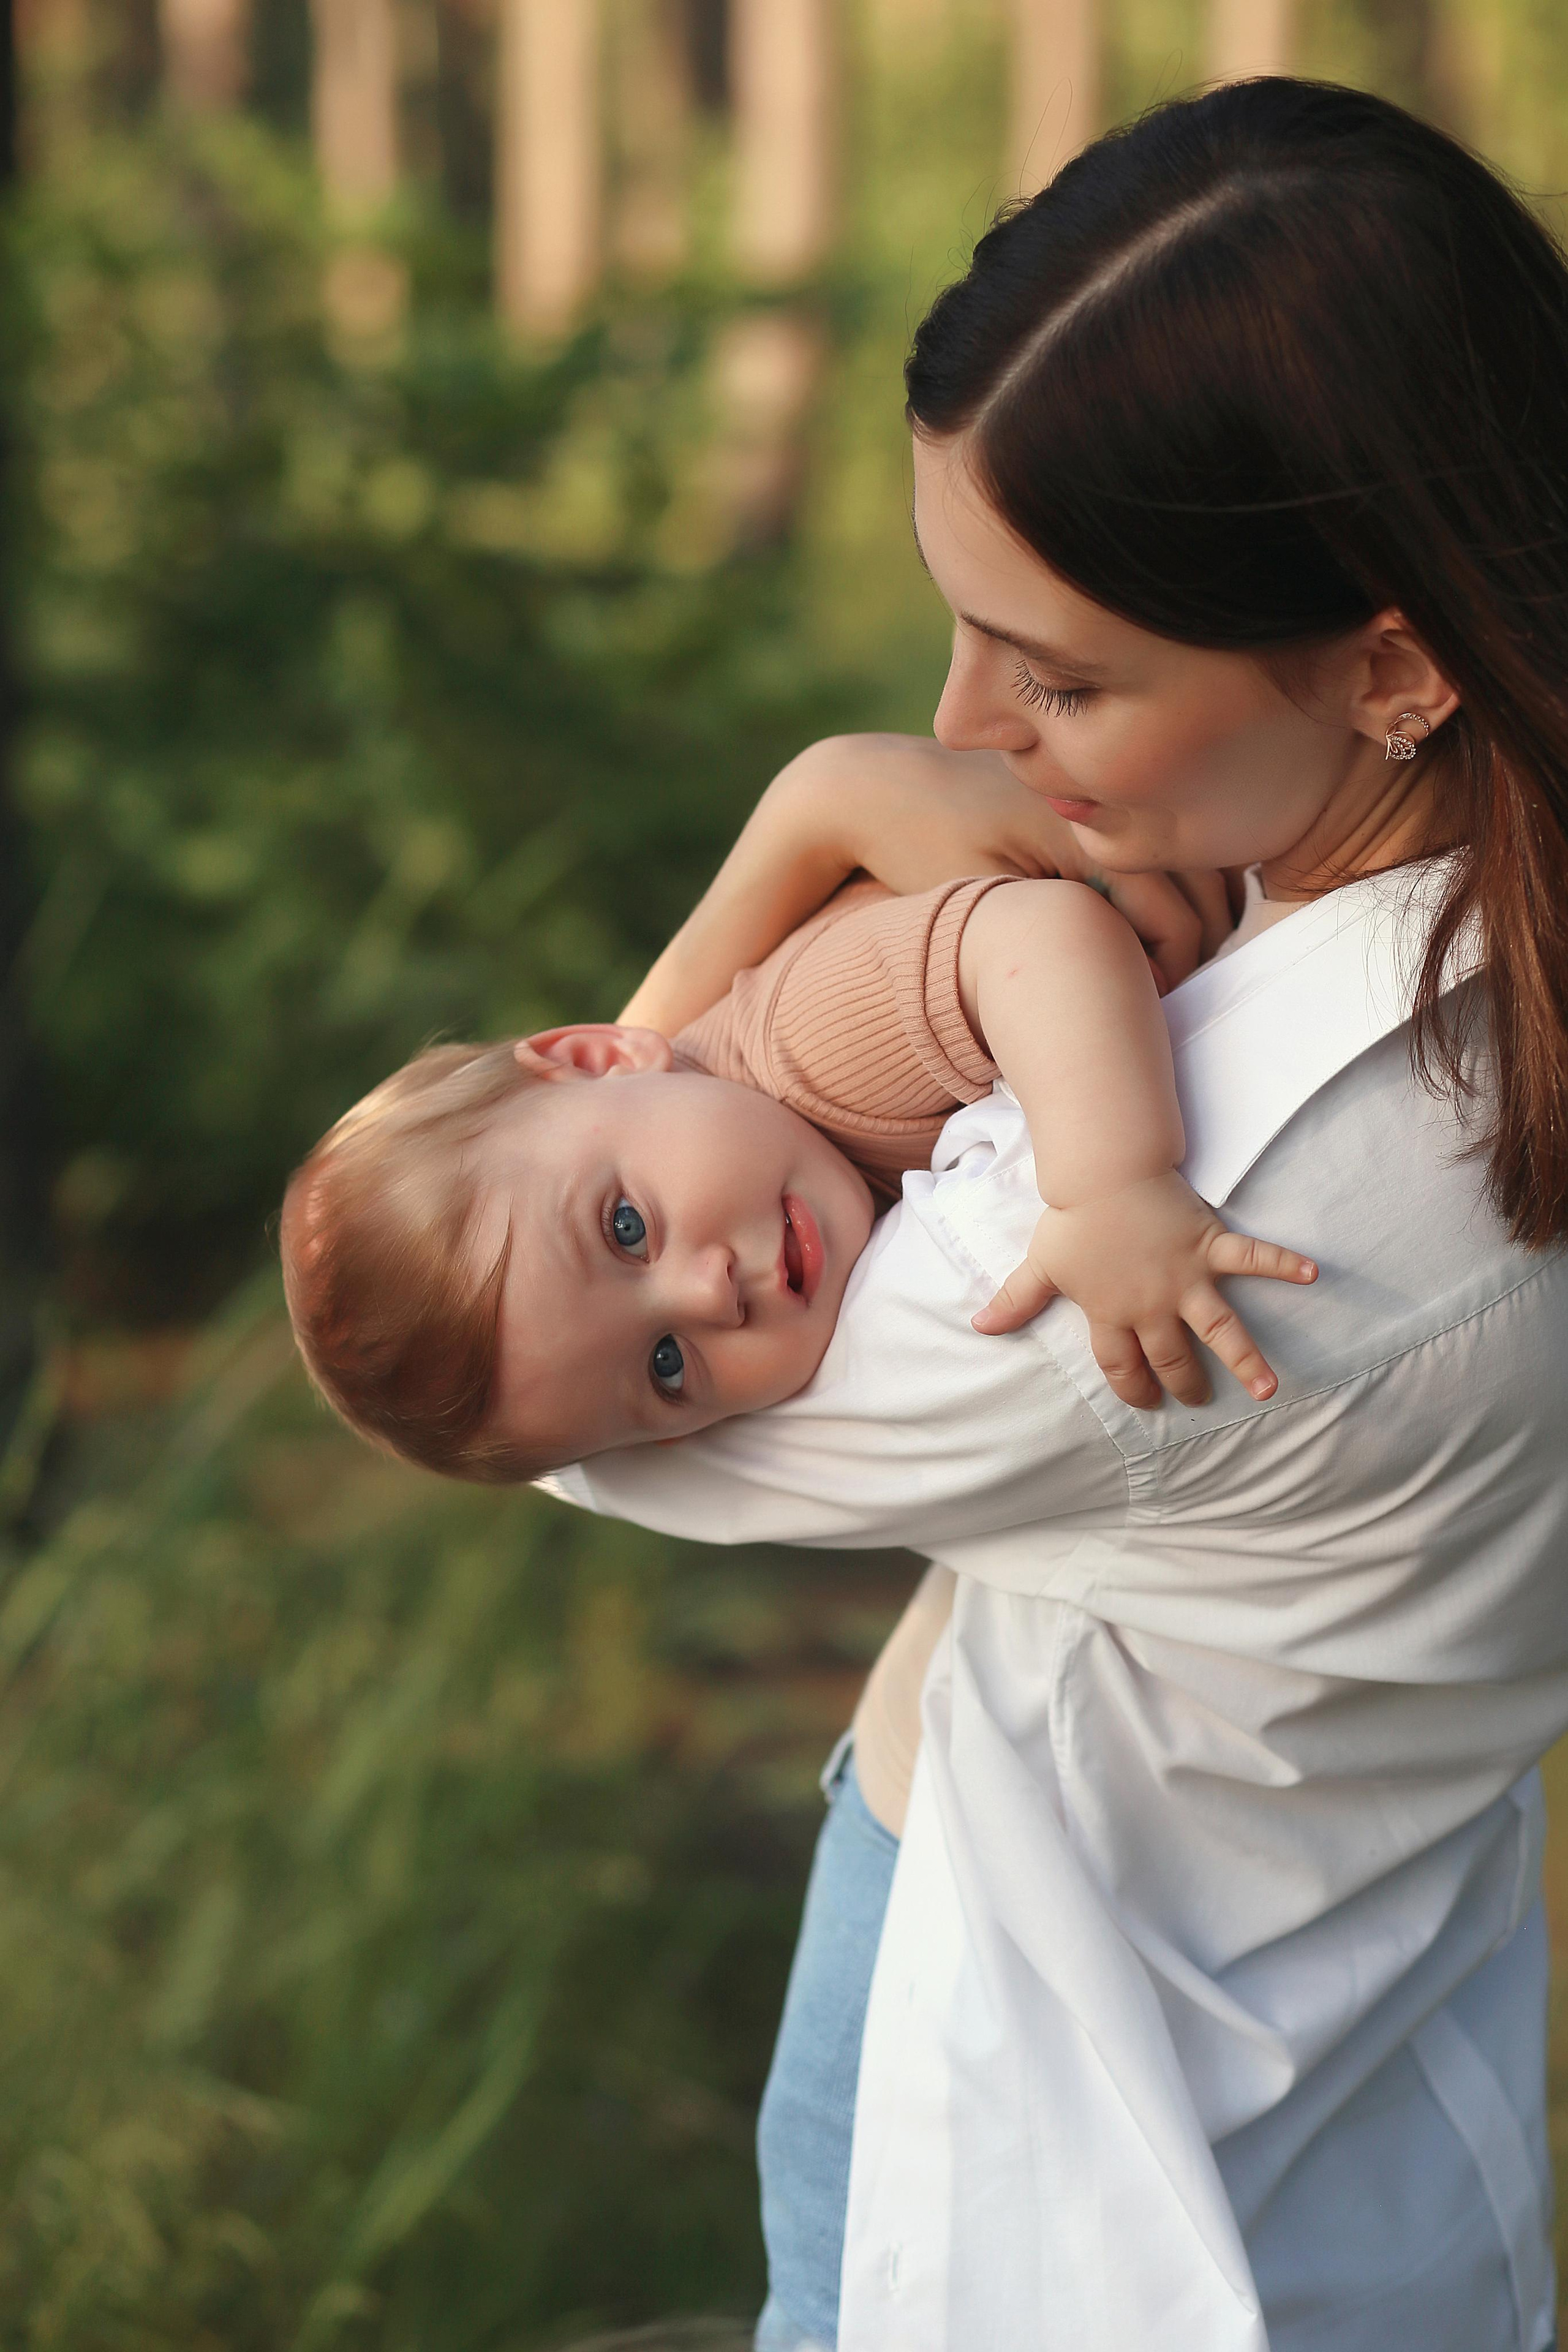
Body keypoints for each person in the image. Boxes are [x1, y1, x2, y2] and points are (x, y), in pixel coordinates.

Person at [551, 78, 1568, 2352]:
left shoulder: (1224, 1195)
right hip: (1398, 2073)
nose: (961, 727)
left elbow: (545, 1363)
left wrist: (632, 1067)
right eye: (960, 628)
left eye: (1066, 673)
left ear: (1394, 664)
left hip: (1065, 2127)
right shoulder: (1463, 953)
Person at [280, 748, 1313, 1479]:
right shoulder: (726, 1143)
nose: (710, 1293)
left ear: (601, 1056)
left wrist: (1109, 1188)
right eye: (666, 1366)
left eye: (626, 1230)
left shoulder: (807, 1051)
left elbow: (1041, 938)